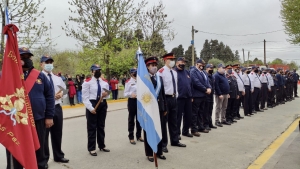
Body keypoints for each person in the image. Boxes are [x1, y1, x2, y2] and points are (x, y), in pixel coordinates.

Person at [6, 47, 55, 169]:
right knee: (17, 150)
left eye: (28, 57)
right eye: (23, 57)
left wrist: (49, 116)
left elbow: (50, 96)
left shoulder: (39, 76)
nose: (26, 59)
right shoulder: (8, 75)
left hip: (38, 119)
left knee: (39, 149)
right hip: (17, 121)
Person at [40, 55, 69, 165]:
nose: (49, 64)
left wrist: (61, 94)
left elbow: (65, 91)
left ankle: (58, 155)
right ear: (41, 64)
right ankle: (45, 159)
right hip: (45, 109)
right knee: (44, 136)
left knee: (57, 133)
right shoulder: (38, 78)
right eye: (46, 62)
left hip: (57, 108)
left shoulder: (58, 78)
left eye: (50, 62)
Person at [157, 53, 186, 153]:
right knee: (163, 123)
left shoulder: (174, 72)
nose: (173, 61)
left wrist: (176, 95)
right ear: (165, 60)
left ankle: (175, 140)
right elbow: (159, 88)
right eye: (171, 59)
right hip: (165, 99)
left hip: (174, 98)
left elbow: (176, 86)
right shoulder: (160, 72)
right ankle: (163, 144)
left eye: (173, 59)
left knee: (174, 121)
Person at [82, 64, 110, 156]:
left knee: (101, 126)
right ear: (92, 72)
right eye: (95, 71)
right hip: (92, 103)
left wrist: (106, 94)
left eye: (99, 70)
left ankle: (102, 145)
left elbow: (108, 95)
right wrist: (90, 108)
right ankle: (91, 148)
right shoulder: (87, 82)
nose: (97, 72)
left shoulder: (104, 82)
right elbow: (85, 98)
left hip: (102, 103)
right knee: (92, 127)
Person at [143, 57, 167, 162]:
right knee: (149, 130)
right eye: (152, 65)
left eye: (155, 65)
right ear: (147, 67)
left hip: (159, 108)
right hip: (149, 108)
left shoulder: (159, 78)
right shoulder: (144, 78)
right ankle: (149, 153)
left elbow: (163, 94)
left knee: (159, 129)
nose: (154, 67)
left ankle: (159, 151)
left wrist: (164, 107)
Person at [190, 59, 211, 136]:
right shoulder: (193, 71)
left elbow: (207, 82)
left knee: (201, 112)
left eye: (203, 64)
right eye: (201, 64)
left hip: (203, 95)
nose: (202, 65)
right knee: (195, 113)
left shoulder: (204, 72)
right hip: (197, 95)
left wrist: (209, 88)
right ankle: (194, 129)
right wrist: (205, 89)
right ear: (197, 64)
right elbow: (196, 83)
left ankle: (200, 127)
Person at [174, 57, 193, 138]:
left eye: (184, 62)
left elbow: (190, 84)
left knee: (188, 115)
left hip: (188, 97)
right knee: (178, 117)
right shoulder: (174, 72)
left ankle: (185, 131)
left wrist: (191, 95)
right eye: (182, 62)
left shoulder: (187, 72)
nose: (183, 64)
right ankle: (177, 133)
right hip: (179, 98)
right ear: (177, 63)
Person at [124, 68, 144, 145]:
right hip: (132, 101)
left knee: (139, 119)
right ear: (131, 74)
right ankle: (131, 136)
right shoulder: (128, 82)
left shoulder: (140, 81)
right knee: (131, 119)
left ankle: (139, 135)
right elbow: (125, 93)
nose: (135, 74)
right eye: (134, 73)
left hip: (139, 101)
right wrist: (130, 94)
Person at [204, 64, 217, 129]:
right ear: (206, 68)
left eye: (212, 68)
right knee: (206, 110)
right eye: (210, 68)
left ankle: (210, 123)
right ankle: (205, 124)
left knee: (210, 110)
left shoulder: (212, 76)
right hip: (206, 95)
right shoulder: (205, 75)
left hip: (211, 95)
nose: (211, 69)